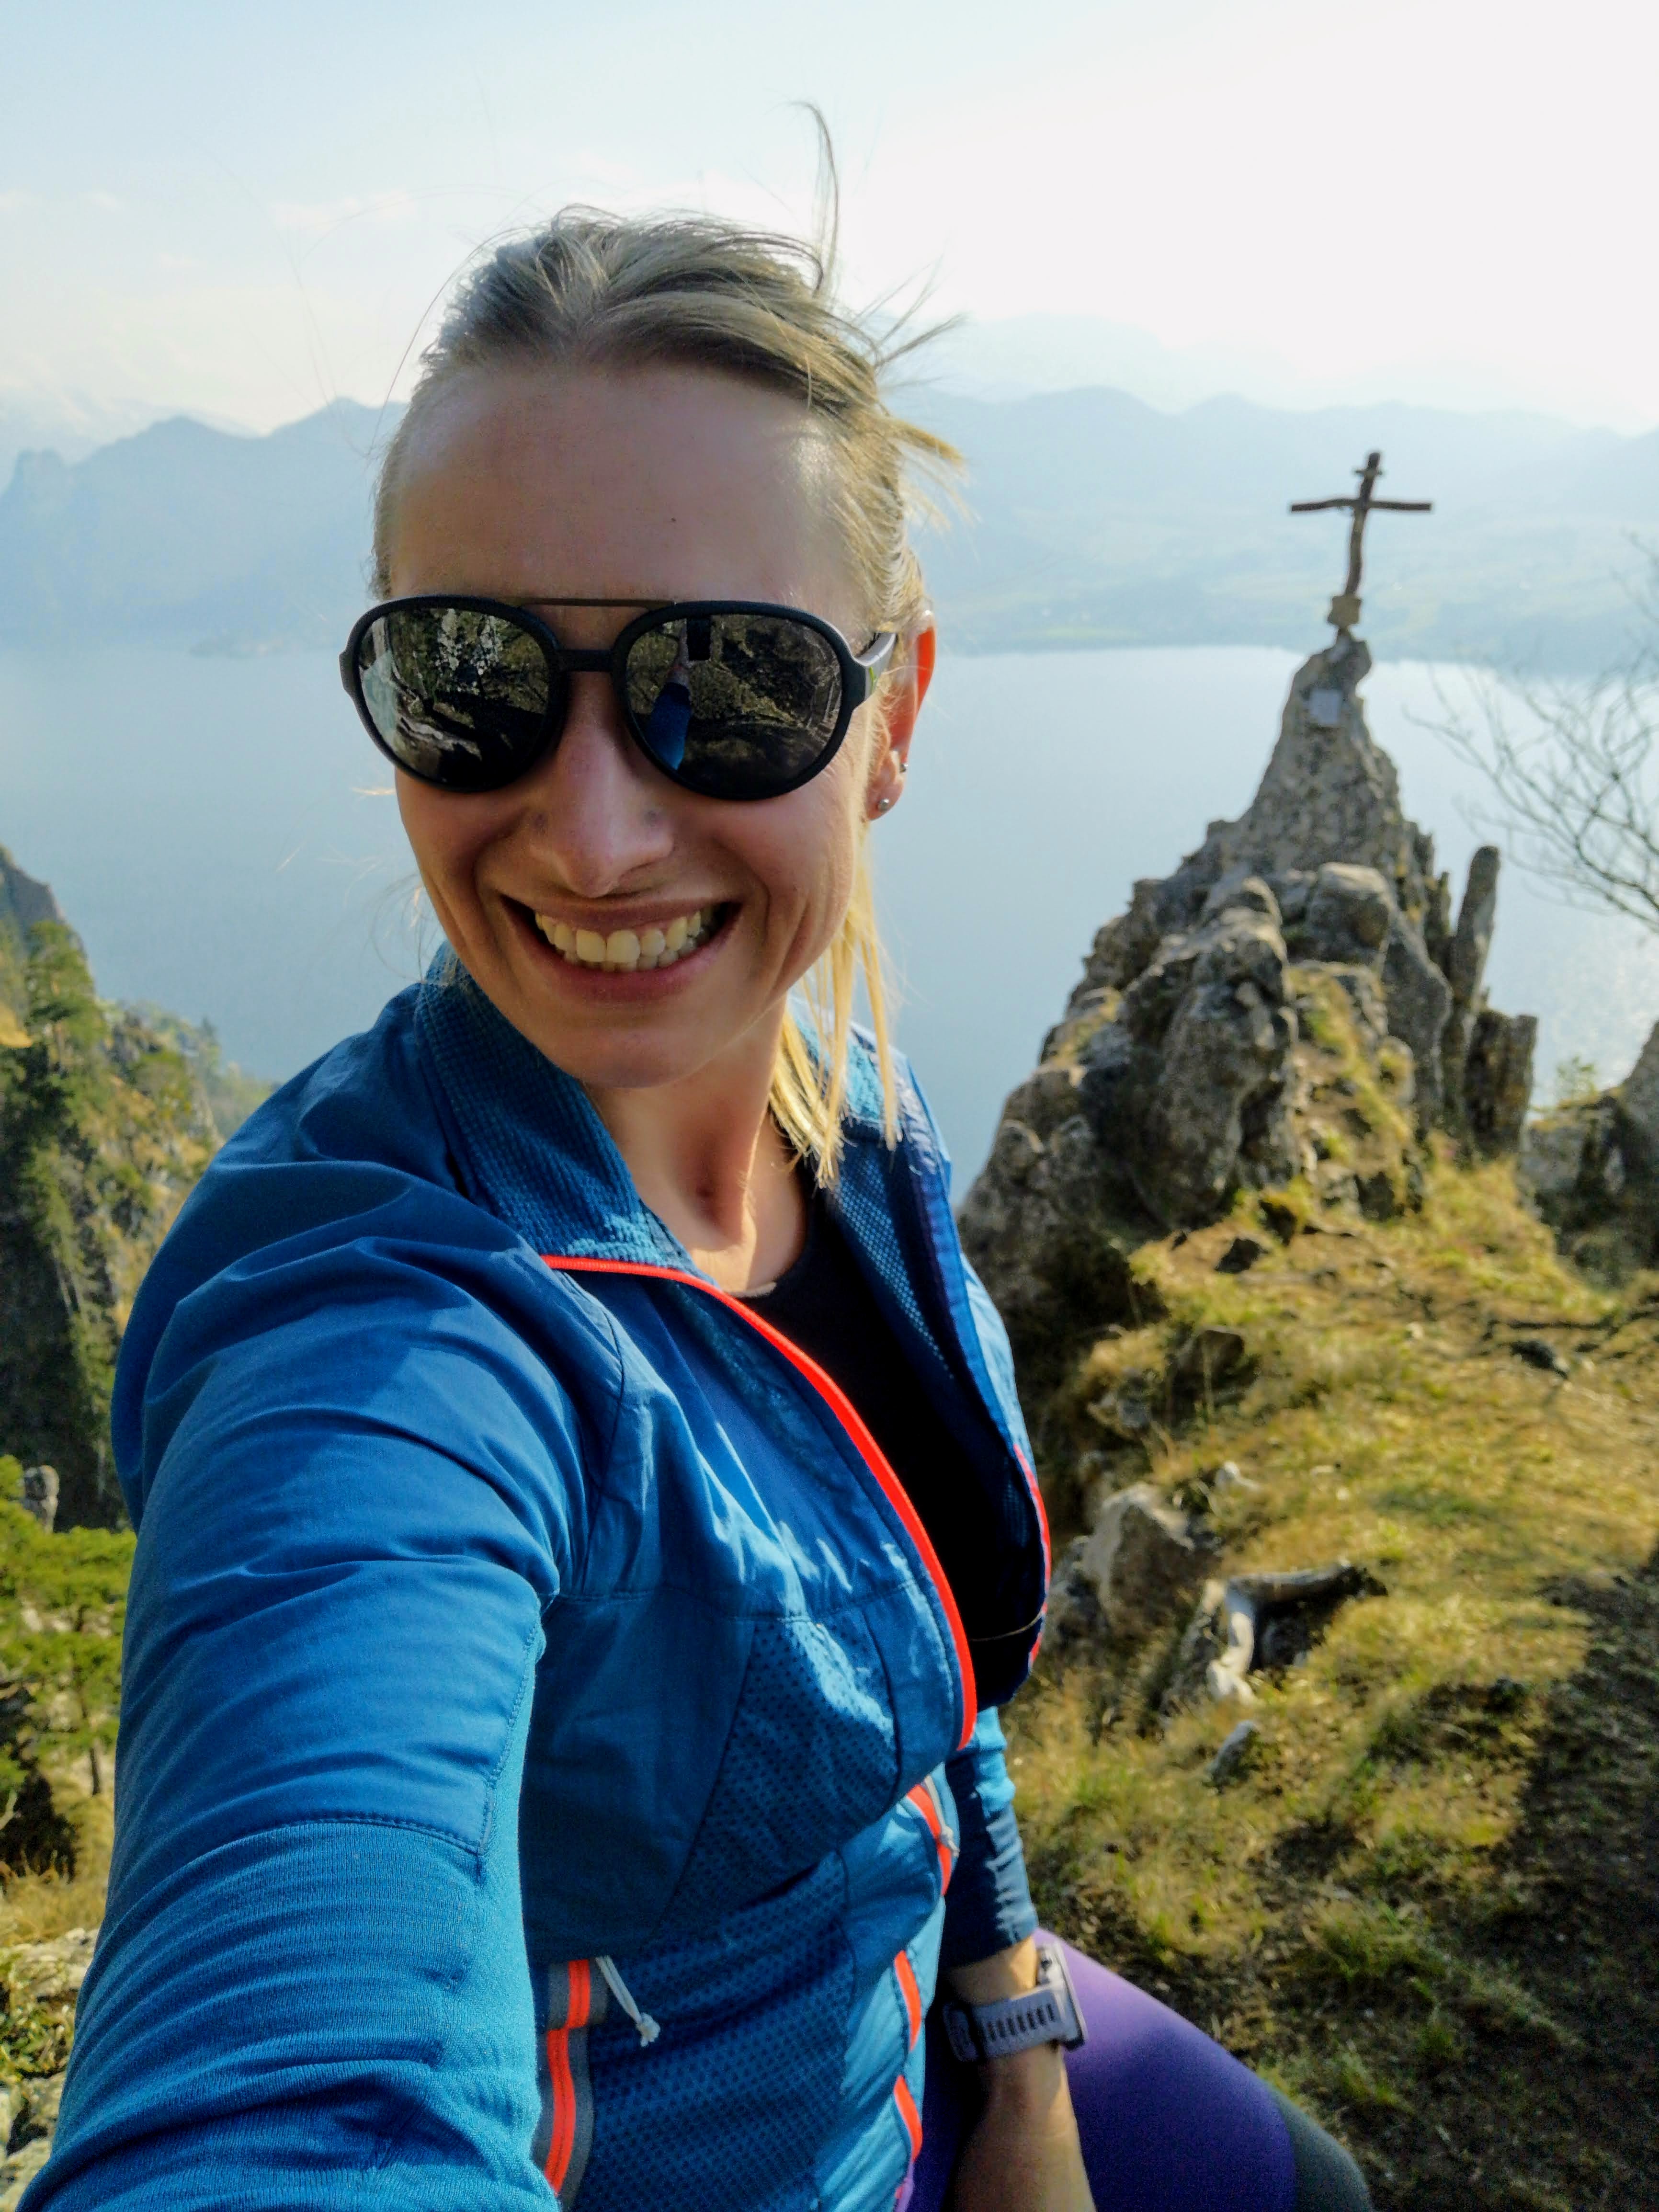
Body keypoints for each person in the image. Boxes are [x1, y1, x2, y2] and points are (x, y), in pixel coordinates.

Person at [24, 204, 1371, 2212]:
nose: (588, 832)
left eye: (727, 684)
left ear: (892, 716)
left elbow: (919, 1627)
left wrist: (1016, 2058)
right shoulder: (379, 1330)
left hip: (929, 2046)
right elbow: (290, 2089)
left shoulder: (862, 1132)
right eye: (473, 677)